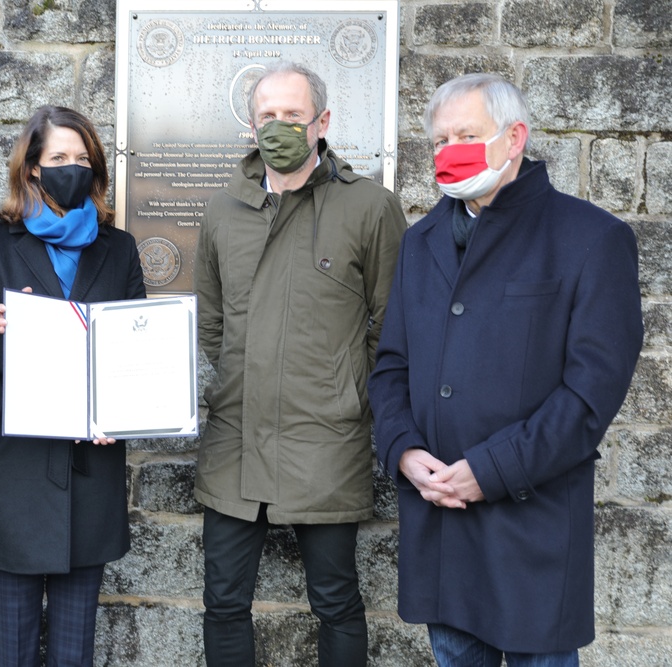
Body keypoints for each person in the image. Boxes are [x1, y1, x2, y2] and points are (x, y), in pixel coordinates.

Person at [367, 72, 643, 665]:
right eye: (439, 141)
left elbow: (589, 397)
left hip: (531, 533)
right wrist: (403, 451)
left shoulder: (592, 238)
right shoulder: (422, 241)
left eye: (466, 134)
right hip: (442, 528)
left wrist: (488, 471)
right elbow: (392, 366)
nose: (448, 152)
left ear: (514, 138)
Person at [192, 60, 407, 666]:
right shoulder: (221, 210)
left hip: (326, 441)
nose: (279, 126)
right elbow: (211, 320)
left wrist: (346, 391)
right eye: (268, 115)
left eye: (293, 115)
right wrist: (242, 376)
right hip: (235, 438)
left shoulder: (370, 207)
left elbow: (392, 324)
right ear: (251, 125)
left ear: (322, 122)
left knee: (336, 600)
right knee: (223, 602)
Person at [0, 105, 146, 667]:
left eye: (82, 158)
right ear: (32, 168)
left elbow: (134, 347)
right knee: (11, 646)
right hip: (16, 467)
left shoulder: (120, 248)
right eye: (58, 157)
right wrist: (25, 339)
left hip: (92, 466)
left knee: (73, 648)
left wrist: (120, 410)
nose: (72, 167)